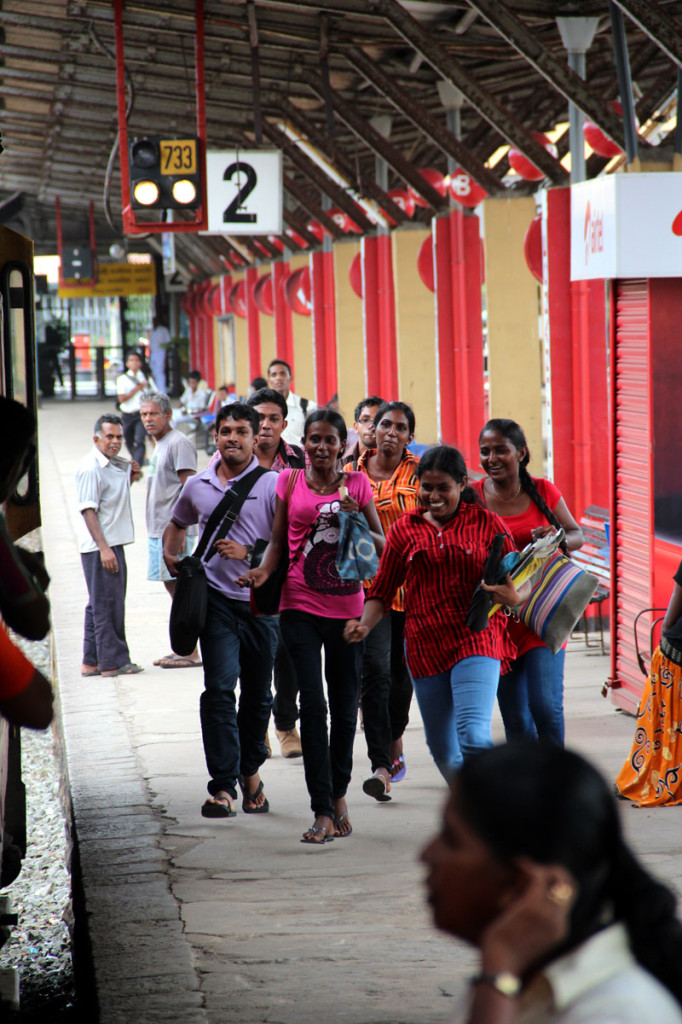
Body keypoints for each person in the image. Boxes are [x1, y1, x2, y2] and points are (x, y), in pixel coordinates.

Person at [421, 742, 682, 1024]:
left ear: (523, 883)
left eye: (451, 840)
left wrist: (499, 971)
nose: (426, 855)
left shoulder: (619, 1013)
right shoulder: (515, 978)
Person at [239, 409, 384, 845]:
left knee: (343, 709)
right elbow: (279, 540)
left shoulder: (358, 484)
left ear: (343, 445)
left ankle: (340, 793)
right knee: (314, 708)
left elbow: (382, 543)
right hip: (299, 604)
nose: (321, 447)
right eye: (314, 439)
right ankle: (322, 807)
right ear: (306, 443)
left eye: (330, 440)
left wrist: (357, 513)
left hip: (348, 613)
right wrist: (263, 573)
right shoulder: (290, 481)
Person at [344, 446, 528, 781]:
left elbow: (522, 579)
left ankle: (492, 817)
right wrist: (364, 625)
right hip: (424, 646)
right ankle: (472, 811)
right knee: (443, 750)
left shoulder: (486, 523)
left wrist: (513, 595)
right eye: (426, 487)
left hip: (476, 639)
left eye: (443, 487)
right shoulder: (404, 529)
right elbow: (383, 591)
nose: (434, 496)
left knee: (473, 736)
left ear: (461, 484)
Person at [163, 403, 278, 819]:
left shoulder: (273, 485)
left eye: (241, 431)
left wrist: (251, 554)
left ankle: (250, 771)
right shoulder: (198, 485)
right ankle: (224, 788)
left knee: (258, 697)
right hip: (215, 604)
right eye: (226, 431)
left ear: (255, 438)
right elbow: (177, 523)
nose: (233, 437)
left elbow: (290, 545)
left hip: (262, 608)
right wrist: (168, 551)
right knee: (218, 691)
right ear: (216, 437)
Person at [473, 419, 584, 747]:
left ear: (521, 453)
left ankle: (558, 784)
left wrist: (558, 537)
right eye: (485, 451)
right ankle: (528, 791)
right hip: (499, 623)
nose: (491, 458)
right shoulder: (474, 496)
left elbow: (576, 534)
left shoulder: (544, 491)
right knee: (516, 718)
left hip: (542, 613)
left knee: (545, 707)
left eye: (500, 450)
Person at [344, 400, 419, 799]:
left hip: (415, 589)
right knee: (375, 672)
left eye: (400, 426)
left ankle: (394, 738)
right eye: (384, 423)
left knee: (402, 678)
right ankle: (380, 765)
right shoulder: (352, 473)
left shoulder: (422, 473)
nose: (390, 430)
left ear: (409, 436)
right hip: (370, 590)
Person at [247, 387, 305, 759]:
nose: (265, 426)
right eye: (259, 418)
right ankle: (256, 726)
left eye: (273, 419)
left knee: (289, 652)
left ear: (284, 424)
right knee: (254, 652)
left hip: (292, 566)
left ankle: (285, 724)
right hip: (244, 568)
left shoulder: (299, 459)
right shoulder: (229, 457)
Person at [75, 414, 143, 677]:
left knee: (98, 603)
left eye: (118, 437)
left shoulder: (113, 464)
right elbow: (88, 510)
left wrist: (132, 478)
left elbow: (111, 497)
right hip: (101, 546)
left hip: (111, 543)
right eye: (109, 437)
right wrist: (104, 549)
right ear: (96, 439)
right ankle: (113, 662)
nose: (115, 442)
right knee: (108, 604)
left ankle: (91, 661)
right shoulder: (90, 467)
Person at [139, 390, 200, 669]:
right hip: (158, 528)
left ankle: (189, 651)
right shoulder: (160, 443)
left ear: (168, 415)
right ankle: (183, 647)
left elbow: (190, 488)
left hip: (173, 531)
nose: (148, 419)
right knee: (171, 586)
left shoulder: (179, 443)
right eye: (144, 414)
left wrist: (183, 528)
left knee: (183, 590)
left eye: (153, 413)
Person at [615, 561, 682, 806]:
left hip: (676, 659)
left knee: (663, 725)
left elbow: (678, 597)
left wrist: (665, 630)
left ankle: (658, 778)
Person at [116, 350, 154, 466]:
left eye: (137, 360)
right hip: (127, 414)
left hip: (140, 414)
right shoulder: (122, 379)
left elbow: (154, 394)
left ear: (141, 363)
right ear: (127, 364)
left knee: (139, 440)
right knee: (128, 440)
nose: (134, 363)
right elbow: (121, 399)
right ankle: (138, 459)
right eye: (131, 360)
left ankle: (137, 464)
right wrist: (136, 389)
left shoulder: (146, 378)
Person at [266, 358, 316, 445]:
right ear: (269, 380)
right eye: (274, 375)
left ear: (291, 378)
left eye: (282, 374)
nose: (278, 378)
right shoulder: (263, 409)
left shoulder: (307, 406)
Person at [345, 395, 385, 465]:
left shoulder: (400, 462)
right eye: (365, 420)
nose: (372, 426)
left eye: (378, 420)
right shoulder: (340, 461)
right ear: (356, 427)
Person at [147, 315, 170, 394]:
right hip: (153, 353)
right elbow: (150, 345)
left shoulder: (163, 330)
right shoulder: (152, 331)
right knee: (154, 371)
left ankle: (162, 391)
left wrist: (166, 356)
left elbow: (167, 343)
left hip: (161, 352)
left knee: (160, 372)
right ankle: (157, 390)